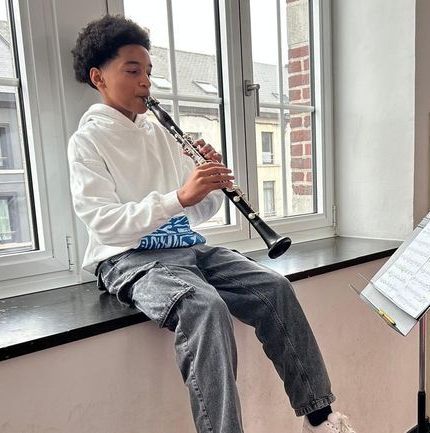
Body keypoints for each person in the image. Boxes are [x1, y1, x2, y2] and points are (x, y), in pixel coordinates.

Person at [68, 15, 357, 433]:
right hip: (126, 259)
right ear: (99, 77)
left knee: (275, 288)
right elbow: (104, 223)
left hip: (186, 249)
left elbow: (194, 214)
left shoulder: (159, 133)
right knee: (205, 308)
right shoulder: (88, 141)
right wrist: (179, 196)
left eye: (148, 72)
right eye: (132, 71)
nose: (145, 82)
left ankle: (322, 418)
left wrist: (210, 186)